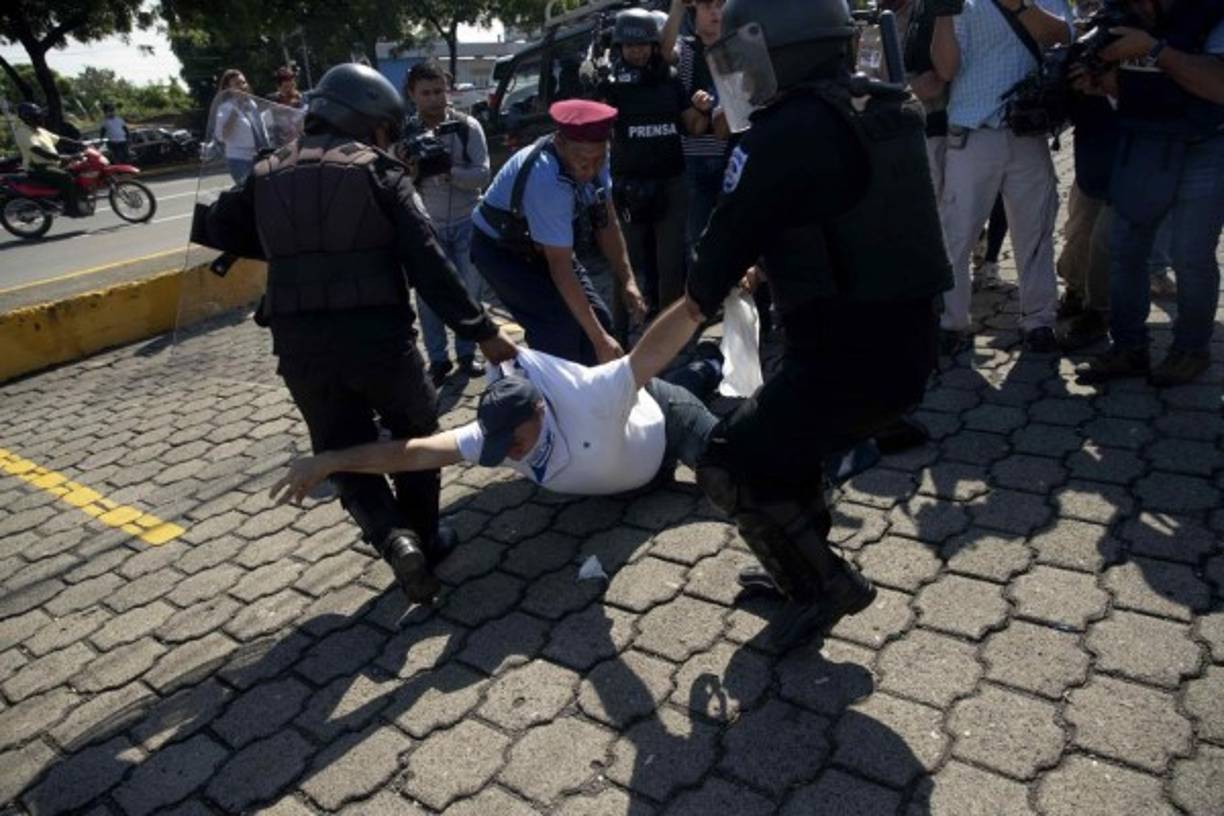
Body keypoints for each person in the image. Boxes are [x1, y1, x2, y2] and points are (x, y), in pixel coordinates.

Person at [649, 0, 952, 648]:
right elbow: (845, 210)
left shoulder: (778, 135)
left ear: (768, 49)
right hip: (906, 353)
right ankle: (801, 567)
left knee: (732, 463)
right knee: (788, 444)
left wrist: (631, 371)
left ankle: (826, 584)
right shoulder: (883, 105)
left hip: (843, 364)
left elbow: (704, 284)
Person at [191, 63, 518, 605]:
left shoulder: (267, 170)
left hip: (301, 350)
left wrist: (291, 239)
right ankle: (426, 539)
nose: (388, 140)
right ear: (366, 121)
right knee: (415, 435)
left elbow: (216, 225)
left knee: (339, 450)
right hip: (380, 343)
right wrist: (483, 332)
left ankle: (394, 540)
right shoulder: (380, 173)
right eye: (384, 130)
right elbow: (430, 265)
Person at [270, 303, 723, 505]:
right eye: (501, 444)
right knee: (683, 380)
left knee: (732, 474)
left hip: (665, 423)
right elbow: (405, 454)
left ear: (541, 411)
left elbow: (648, 355)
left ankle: (713, 360)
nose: (510, 451)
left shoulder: (588, 395)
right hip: (633, 475)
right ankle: (707, 366)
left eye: (515, 439)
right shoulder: (494, 435)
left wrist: (701, 297)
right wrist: (328, 461)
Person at [1077, 0, 1224, 386]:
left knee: (1191, 256)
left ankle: (1191, 350)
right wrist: (1099, 81)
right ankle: (1128, 348)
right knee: (1125, 248)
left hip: (1203, 144)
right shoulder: (1116, 13)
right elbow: (1123, 83)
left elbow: (1219, 85)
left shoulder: (1213, 10)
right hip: (1142, 139)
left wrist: (1153, 49)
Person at [931, 0, 1073, 355]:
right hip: (971, 130)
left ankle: (1039, 320)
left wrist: (1021, 6)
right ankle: (952, 321)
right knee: (956, 236)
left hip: (1029, 131)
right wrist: (941, 12)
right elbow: (946, 69)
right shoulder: (961, 3)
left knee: (1036, 231)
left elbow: (1064, 36)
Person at [471, 99, 647, 366]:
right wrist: (599, 341)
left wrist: (627, 280)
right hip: (503, 253)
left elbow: (606, 221)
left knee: (601, 321)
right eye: (581, 160)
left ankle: (600, 395)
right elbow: (561, 270)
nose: (588, 169)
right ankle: (552, 399)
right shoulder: (547, 179)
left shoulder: (597, 158)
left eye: (597, 159)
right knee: (558, 334)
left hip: (545, 245)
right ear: (560, 143)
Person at [598, 8, 690, 343]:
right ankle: (619, 337)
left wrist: (704, 109)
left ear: (655, 45)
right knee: (626, 267)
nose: (637, 51)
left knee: (671, 267)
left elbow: (689, 122)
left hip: (672, 182)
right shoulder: (610, 83)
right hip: (629, 188)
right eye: (629, 45)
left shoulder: (669, 77)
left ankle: (667, 340)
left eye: (644, 44)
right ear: (618, 46)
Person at [402, 59, 492, 387]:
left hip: (468, 220)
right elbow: (395, 184)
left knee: (470, 293)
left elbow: (483, 174)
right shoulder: (405, 133)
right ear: (412, 94)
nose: (434, 99)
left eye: (439, 90)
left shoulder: (468, 127)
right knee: (428, 298)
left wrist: (448, 171)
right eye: (425, 92)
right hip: (428, 225)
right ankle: (438, 361)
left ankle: (468, 354)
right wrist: (413, 171)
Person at [662, 0, 731, 255]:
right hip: (697, 157)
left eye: (720, 6)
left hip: (734, 152)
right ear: (695, 13)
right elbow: (664, 53)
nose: (715, 12)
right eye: (707, 7)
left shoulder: (738, 46)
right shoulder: (687, 49)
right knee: (697, 239)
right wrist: (678, 6)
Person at [12, 102, 83, 216]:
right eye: (37, 116)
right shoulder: (22, 132)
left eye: (40, 115)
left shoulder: (40, 130)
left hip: (52, 163)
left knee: (78, 170)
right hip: (38, 167)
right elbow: (37, 151)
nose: (41, 118)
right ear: (28, 117)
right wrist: (60, 157)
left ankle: (77, 199)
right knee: (65, 177)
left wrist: (79, 144)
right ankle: (70, 208)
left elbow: (60, 139)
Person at [213, 69, 268, 185]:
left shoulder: (252, 104)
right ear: (228, 88)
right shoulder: (225, 108)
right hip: (239, 160)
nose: (242, 86)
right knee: (249, 195)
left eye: (244, 82)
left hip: (257, 157)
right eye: (237, 84)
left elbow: (260, 129)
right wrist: (235, 110)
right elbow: (221, 136)